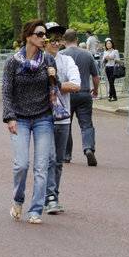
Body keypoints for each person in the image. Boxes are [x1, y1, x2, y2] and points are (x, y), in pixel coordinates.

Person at [1, 19, 57, 224]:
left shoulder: (48, 61)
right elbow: (6, 92)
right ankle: (18, 200)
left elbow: (54, 89)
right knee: (21, 165)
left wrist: (55, 78)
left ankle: (36, 210)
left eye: (45, 35)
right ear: (28, 37)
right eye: (40, 34)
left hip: (43, 117)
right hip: (20, 118)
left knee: (41, 167)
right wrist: (10, 117)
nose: (44, 38)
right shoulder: (12, 62)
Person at [42, 26, 82, 216]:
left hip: (62, 118)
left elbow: (76, 84)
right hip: (41, 117)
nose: (56, 43)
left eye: (59, 40)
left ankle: (52, 196)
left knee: (57, 161)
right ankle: (49, 197)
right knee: (47, 159)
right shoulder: (37, 61)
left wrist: (54, 85)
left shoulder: (67, 61)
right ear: (44, 42)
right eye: (52, 40)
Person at [63, 29, 100, 165]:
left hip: (67, 94)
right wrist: (95, 90)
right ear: (77, 39)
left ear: (63, 41)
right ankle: (88, 148)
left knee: (66, 124)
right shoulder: (87, 55)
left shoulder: (61, 55)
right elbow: (96, 77)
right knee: (86, 125)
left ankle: (66, 155)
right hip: (84, 93)